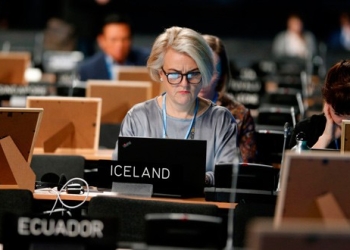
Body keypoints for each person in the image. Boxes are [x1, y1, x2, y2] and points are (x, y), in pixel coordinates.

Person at [112, 26, 239, 186]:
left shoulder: (221, 120)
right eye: (174, 75)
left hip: (199, 207)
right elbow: (120, 172)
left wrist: (192, 178)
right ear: (160, 73)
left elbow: (229, 177)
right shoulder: (138, 116)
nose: (184, 84)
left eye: (193, 74)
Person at [199, 34, 257, 163]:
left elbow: (244, 170)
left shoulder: (241, 115)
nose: (203, 80)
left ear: (221, 75)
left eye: (211, 72)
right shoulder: (173, 109)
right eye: (198, 70)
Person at [289, 59, 350, 149]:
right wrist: (325, 138)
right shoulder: (306, 130)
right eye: (338, 114)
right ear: (327, 104)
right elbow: (296, 163)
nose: (346, 121)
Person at [77, 13, 150, 81]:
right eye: (114, 40)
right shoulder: (88, 70)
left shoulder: (147, 62)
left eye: (124, 39)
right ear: (101, 41)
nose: (120, 45)